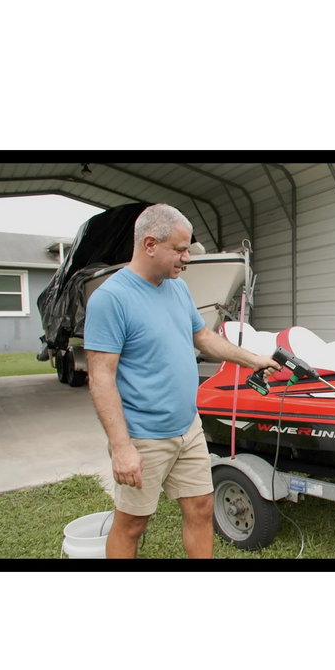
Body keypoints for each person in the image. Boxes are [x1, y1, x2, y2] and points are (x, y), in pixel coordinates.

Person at [84, 204, 279, 559]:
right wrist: (122, 447)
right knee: (132, 525)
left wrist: (253, 359)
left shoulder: (177, 289)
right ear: (149, 244)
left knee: (202, 509)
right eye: (180, 249)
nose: (187, 257)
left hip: (187, 429)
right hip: (144, 436)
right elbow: (101, 377)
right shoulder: (111, 299)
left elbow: (203, 337)